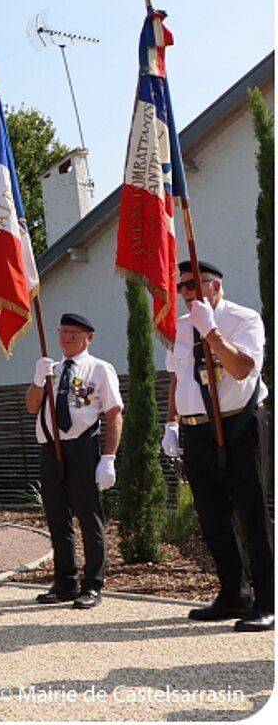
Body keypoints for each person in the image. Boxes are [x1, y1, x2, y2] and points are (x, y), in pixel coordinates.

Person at [161, 260, 273, 632]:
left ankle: (268, 600)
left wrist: (210, 331)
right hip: (196, 429)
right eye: (181, 287)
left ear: (216, 285)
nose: (185, 292)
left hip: (238, 423)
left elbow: (241, 369)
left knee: (252, 513)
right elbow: (177, 377)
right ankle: (233, 594)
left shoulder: (243, 320)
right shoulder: (180, 326)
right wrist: (171, 423)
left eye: (193, 284)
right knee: (212, 516)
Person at [24, 313, 122, 610]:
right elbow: (31, 407)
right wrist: (38, 380)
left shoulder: (99, 369)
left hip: (82, 448)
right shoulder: (50, 370)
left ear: (88, 337)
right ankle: (65, 582)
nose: (67, 338)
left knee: (89, 518)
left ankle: (93, 584)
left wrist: (108, 458)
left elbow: (114, 413)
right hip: (50, 447)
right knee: (57, 518)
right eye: (63, 331)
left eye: (74, 333)